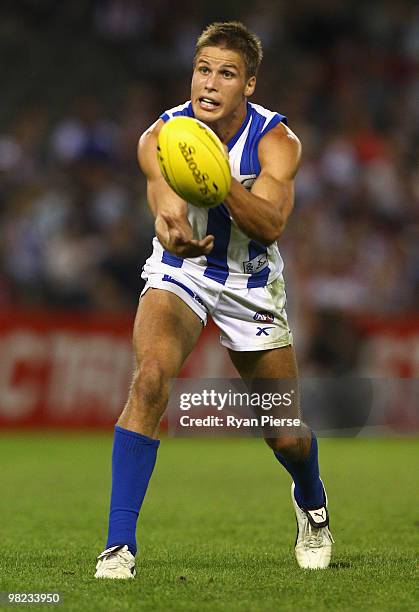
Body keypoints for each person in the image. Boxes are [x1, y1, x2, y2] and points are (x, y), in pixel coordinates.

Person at [95, 21, 334, 579]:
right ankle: (118, 546)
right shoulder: (160, 136)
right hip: (183, 269)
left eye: (226, 73)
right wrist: (172, 226)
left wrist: (220, 181)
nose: (209, 83)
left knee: (287, 433)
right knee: (150, 379)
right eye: (203, 69)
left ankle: (313, 503)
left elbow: (272, 224)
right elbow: (165, 204)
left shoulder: (277, 141)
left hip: (249, 282)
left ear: (248, 84)